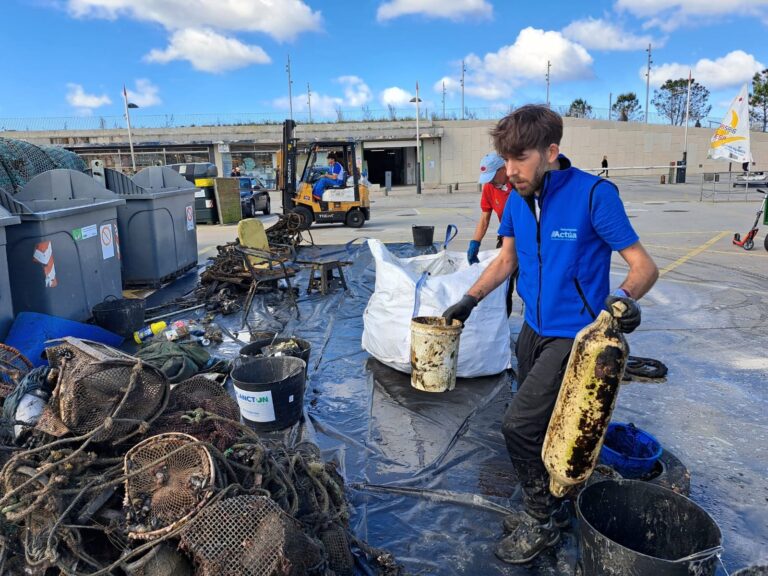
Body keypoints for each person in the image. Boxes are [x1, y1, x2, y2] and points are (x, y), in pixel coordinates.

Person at [443, 105, 658, 565]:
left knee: (517, 427)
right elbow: (506, 260)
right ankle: (550, 504)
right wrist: (468, 300)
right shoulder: (518, 198)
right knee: (539, 426)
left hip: (575, 339)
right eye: (506, 159)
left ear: (551, 151)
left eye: (520, 159)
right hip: (532, 332)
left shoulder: (594, 195)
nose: (510, 170)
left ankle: (542, 520)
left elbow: (644, 267)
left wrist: (623, 299)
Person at [467, 152, 513, 264]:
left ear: (503, 168)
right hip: (506, 237)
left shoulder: (518, 184)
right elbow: (484, 218)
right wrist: (475, 242)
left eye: (492, 177)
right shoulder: (489, 188)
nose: (490, 182)